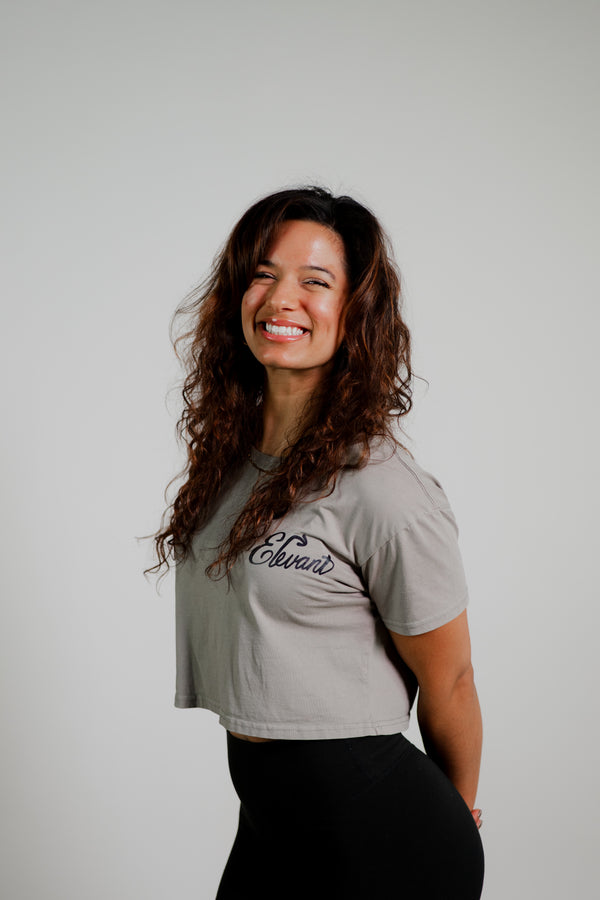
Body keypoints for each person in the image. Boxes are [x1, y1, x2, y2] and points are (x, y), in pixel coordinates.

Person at [147, 186, 484, 899]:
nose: (281, 298)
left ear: (356, 311)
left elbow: (451, 679)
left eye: (316, 281)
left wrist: (458, 814)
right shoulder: (230, 469)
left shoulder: (382, 487)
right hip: (272, 824)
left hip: (386, 842)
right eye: (263, 273)